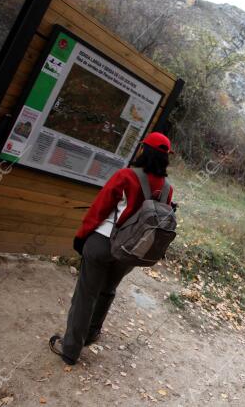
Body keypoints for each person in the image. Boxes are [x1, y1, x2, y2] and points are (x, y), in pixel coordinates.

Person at [49, 132, 175, 365]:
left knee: (86, 294)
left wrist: (81, 237)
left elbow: (99, 209)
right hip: (131, 251)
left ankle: (70, 350)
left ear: (143, 150)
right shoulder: (168, 189)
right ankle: (91, 334)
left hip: (103, 242)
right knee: (108, 290)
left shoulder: (126, 176)